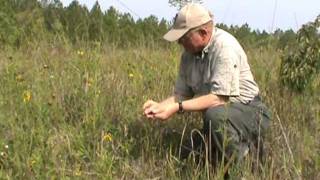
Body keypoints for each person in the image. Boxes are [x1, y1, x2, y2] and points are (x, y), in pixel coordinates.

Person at [142, 3, 271, 169]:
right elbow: (181, 94)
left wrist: (176, 108)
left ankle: (244, 167)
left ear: (203, 33)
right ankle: (226, 157)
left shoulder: (225, 47)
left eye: (184, 38)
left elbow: (219, 98)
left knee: (215, 116)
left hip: (251, 111)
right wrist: (160, 106)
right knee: (188, 153)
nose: (180, 42)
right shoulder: (188, 55)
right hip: (221, 116)